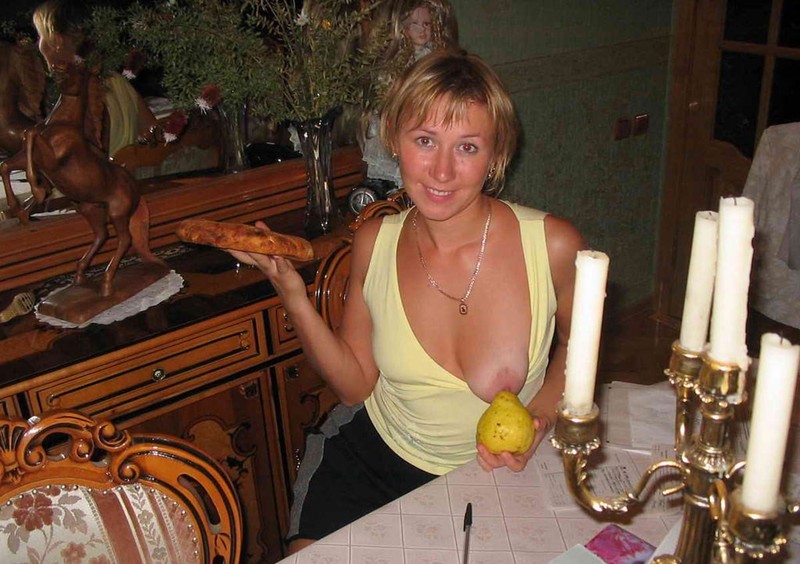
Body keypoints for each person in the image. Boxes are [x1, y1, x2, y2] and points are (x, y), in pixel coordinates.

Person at [229, 50, 585, 552]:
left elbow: (579, 347)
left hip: (493, 475)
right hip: (372, 462)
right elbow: (354, 386)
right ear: (395, 139)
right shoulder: (374, 241)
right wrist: (293, 293)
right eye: (425, 141)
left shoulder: (552, 245)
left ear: (496, 155)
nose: (441, 170)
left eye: (467, 147)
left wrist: (540, 418)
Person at [32, 0, 158, 157]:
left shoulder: (80, 91)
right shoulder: (115, 79)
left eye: (40, 36)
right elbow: (152, 132)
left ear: (56, 41)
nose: (37, 44)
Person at [362, 0, 459, 187]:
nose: (422, 30)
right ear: (402, 28)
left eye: (426, 24)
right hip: (402, 119)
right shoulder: (396, 64)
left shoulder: (436, 58)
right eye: (414, 24)